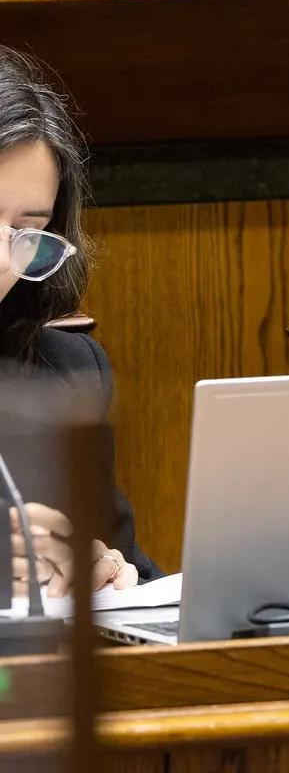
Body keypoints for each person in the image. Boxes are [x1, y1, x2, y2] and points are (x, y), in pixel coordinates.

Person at [0, 46, 156, 597]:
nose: (2, 260)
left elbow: (128, 565)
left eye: (27, 230)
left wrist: (109, 573)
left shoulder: (66, 372)